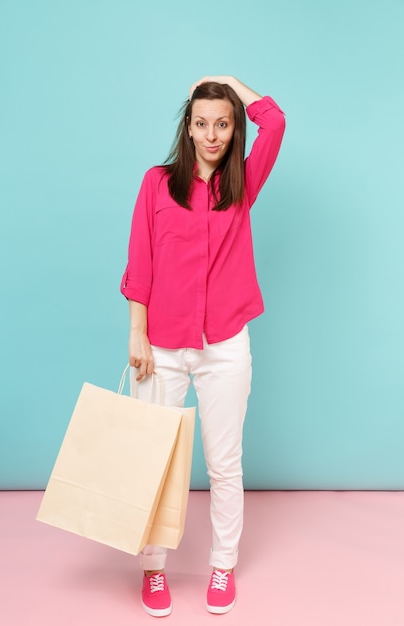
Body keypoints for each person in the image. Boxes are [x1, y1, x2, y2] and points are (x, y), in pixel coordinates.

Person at [120, 75, 285, 617]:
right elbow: (140, 263)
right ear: (187, 128)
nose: (212, 134)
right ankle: (153, 569)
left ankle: (222, 567)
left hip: (225, 346)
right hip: (161, 346)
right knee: (153, 460)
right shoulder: (157, 184)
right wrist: (137, 332)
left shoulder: (242, 186)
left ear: (232, 127)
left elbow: (276, 121)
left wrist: (233, 85)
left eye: (222, 122)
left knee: (224, 464)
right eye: (201, 123)